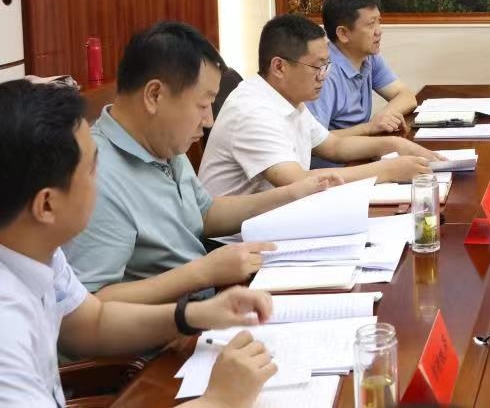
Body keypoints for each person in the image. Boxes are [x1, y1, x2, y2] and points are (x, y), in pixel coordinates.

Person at [0, 79, 277, 408]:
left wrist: (196, 314)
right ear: (46, 205)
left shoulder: (37, 250)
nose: (101, 178)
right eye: (92, 168)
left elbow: (93, 322)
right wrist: (218, 401)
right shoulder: (6, 328)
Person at [64, 22, 343, 302]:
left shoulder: (160, 140)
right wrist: (201, 274)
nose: (209, 120)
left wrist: (291, 194)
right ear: (154, 95)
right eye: (202, 104)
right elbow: (90, 303)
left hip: (203, 301)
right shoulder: (97, 174)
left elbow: (205, 214)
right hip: (173, 322)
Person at [199, 14, 438, 198]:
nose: (323, 75)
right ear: (279, 67)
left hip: (281, 222)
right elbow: (299, 181)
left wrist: (395, 144)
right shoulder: (252, 110)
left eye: (327, 65)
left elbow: (333, 146)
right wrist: (388, 170)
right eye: (317, 66)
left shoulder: (287, 98)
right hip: (240, 240)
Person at [307, 0, 418, 169]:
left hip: (360, 159)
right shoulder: (324, 73)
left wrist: (385, 116)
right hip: (333, 172)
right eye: (371, 24)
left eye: (379, 22)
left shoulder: (369, 57)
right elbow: (313, 142)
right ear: (343, 34)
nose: (379, 31)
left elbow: (406, 96)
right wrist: (369, 128)